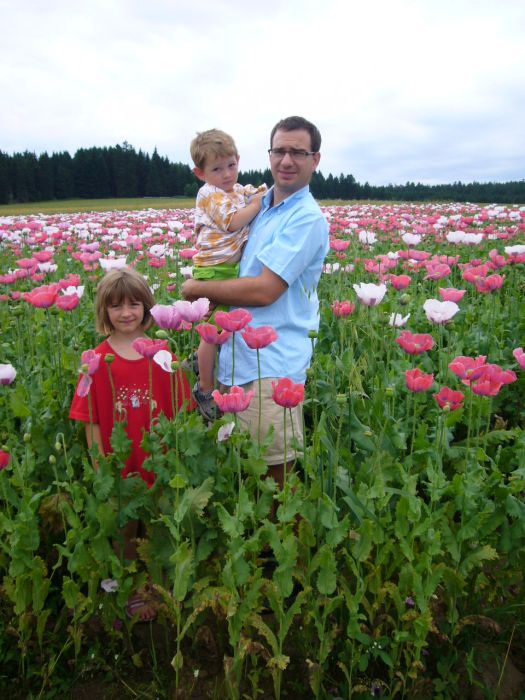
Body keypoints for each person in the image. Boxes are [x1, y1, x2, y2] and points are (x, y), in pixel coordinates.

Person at [182, 116, 329, 488]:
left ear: (315, 159)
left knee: (276, 482)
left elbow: (265, 290)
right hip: (237, 360)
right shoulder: (261, 208)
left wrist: (198, 289)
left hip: (271, 368)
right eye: (280, 150)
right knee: (243, 477)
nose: (287, 160)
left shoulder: (306, 218)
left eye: (298, 152)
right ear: (269, 155)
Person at [69, 266, 192, 620]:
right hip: (120, 465)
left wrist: (176, 456)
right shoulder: (96, 360)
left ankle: (159, 584)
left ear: (147, 308)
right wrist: (99, 465)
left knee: (159, 524)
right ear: (104, 311)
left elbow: (180, 411)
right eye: (117, 306)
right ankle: (128, 584)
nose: (126, 313)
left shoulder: (163, 354)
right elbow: (90, 418)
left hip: (159, 460)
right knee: (125, 529)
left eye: (134, 304)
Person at [188, 128, 267, 420]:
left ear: (238, 160)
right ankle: (205, 388)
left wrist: (258, 194)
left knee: (219, 327)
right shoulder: (209, 193)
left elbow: (252, 192)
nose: (227, 174)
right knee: (213, 333)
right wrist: (257, 205)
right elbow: (233, 222)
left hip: (227, 268)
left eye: (231, 165)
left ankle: (199, 361)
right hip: (213, 270)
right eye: (217, 169)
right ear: (200, 173)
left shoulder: (232, 189)